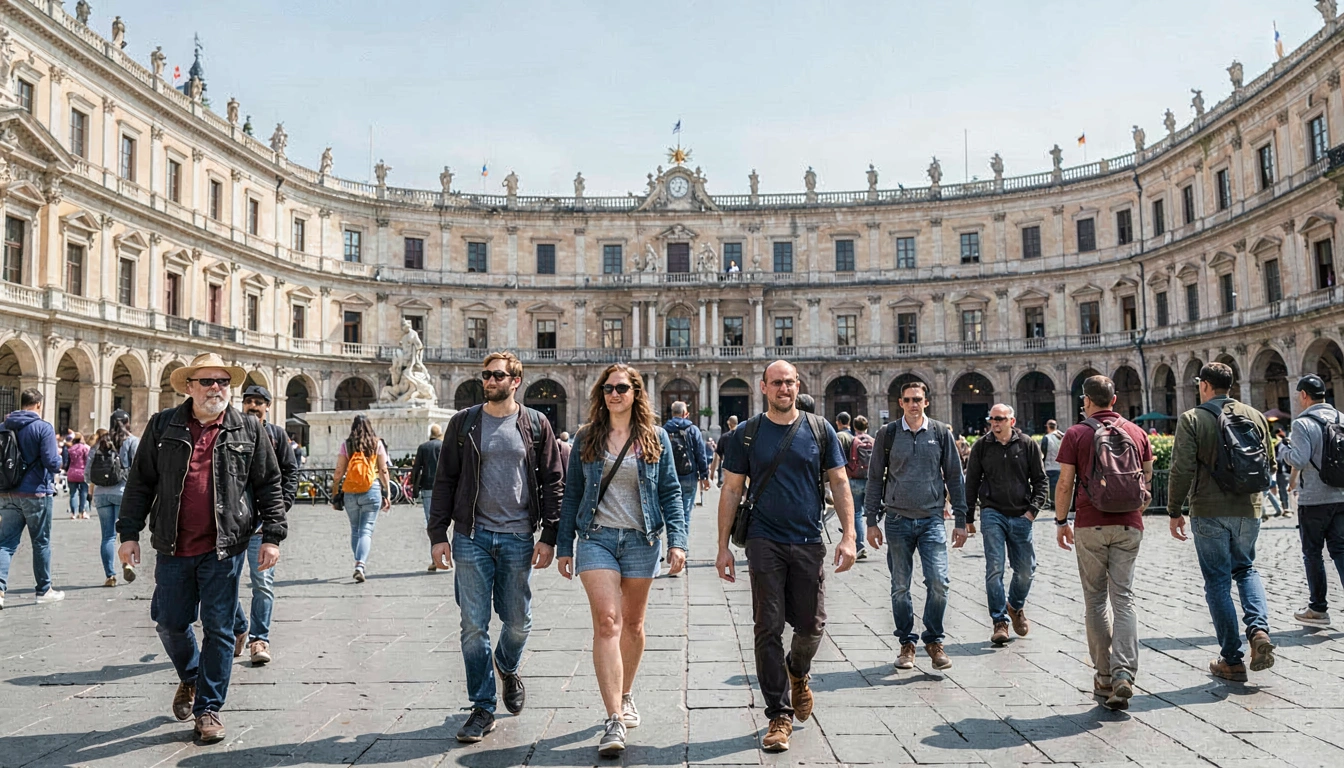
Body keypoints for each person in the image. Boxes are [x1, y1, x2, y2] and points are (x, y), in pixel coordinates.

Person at [117, 352, 287, 743]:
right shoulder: (163, 425)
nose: (216, 388)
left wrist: (273, 536)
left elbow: (269, 485)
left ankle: (208, 709)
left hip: (224, 548)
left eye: (223, 382)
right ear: (189, 386)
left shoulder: (248, 429)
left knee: (220, 629)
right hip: (173, 545)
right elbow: (141, 483)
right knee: (170, 622)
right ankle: (192, 675)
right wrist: (128, 534)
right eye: (208, 381)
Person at [716, 360, 856, 754]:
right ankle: (778, 713)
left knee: (812, 626)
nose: (784, 389)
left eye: (790, 382)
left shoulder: (819, 429)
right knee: (768, 626)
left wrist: (849, 535)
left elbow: (840, 481)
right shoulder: (748, 434)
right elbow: (730, 490)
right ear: (763, 387)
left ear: (799, 386)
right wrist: (723, 546)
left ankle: (798, 669)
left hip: (809, 538)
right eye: (777, 383)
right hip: (764, 540)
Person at [428, 351, 564, 744]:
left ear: (515, 380)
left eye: (498, 375)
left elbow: (553, 481)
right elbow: (445, 482)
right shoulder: (464, 423)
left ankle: (506, 664)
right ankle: (483, 707)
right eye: (486, 375)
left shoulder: (536, 423)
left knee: (518, 621)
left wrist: (550, 535)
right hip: (472, 535)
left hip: (519, 535)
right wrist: (439, 534)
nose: (489, 381)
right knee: (473, 626)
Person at [558, 363, 687, 756]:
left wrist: (677, 541)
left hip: (641, 540)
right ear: (601, 395)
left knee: (633, 624)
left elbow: (670, 492)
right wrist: (565, 546)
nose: (614, 394)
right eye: (608, 389)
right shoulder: (586, 438)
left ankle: (626, 692)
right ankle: (613, 718)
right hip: (596, 539)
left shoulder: (655, 438)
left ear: (635, 393)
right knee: (608, 622)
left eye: (622, 388)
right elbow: (573, 496)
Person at [1168, 362, 1276, 683]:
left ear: (1203, 385)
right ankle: (1258, 630)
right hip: (1248, 507)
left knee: (1217, 581)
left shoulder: (1192, 418)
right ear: (1231, 385)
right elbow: (1267, 462)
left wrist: (1174, 510)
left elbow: (1181, 469)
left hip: (1209, 510)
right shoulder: (1255, 415)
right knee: (1246, 569)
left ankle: (1231, 658)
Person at [1055, 375, 1152, 710]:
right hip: (1129, 524)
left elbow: (1065, 482)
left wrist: (1060, 520)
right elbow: (1147, 477)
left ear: (1086, 401)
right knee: (1123, 598)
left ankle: (1105, 676)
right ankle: (1125, 672)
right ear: (1115, 399)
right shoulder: (1137, 432)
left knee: (1096, 601)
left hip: (1090, 523)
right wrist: (1135, 508)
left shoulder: (1077, 433)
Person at [865, 380, 966, 672]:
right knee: (900, 586)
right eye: (908, 399)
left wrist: (961, 519)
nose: (913, 404)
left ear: (926, 402)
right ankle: (907, 643)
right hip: (896, 519)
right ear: (900, 403)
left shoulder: (939, 432)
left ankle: (933, 640)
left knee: (939, 582)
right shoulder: (888, 433)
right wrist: (871, 521)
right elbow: (875, 479)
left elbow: (954, 477)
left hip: (932, 518)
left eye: (917, 399)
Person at [964, 404, 1047, 647]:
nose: (995, 423)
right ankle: (999, 621)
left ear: (1012, 420)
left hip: (1022, 513)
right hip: (992, 513)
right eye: (992, 419)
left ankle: (1015, 606)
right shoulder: (982, 446)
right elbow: (971, 483)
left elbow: (1041, 480)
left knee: (1026, 570)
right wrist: (968, 517)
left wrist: (1032, 512)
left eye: (1000, 419)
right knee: (995, 568)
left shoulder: (1027, 444)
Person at [232, 385, 298, 666]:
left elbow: (290, 472)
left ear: (268, 407)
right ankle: (238, 627)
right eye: (248, 401)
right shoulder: (231, 431)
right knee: (223, 584)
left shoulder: (277, 435)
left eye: (259, 402)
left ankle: (260, 639)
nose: (253, 406)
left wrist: (280, 509)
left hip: (261, 524)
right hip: (231, 524)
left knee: (262, 584)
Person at [1282, 374, 1344, 626]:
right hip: (1341, 495)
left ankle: (1318, 608)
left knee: (1313, 553)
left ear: (1304, 395)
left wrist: (1283, 450)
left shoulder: (1302, 424)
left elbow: (1298, 459)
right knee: (1341, 551)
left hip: (1314, 500)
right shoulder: (1342, 418)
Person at [0, 388, 65, 608]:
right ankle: (43, 590)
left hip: (7, 492)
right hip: (36, 492)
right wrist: (58, 462)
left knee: (6, 544)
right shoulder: (43, 427)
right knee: (41, 543)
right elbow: (51, 462)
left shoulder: (3, 426)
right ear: (39, 404)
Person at [332, 415, 392, 582]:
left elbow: (338, 472)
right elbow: (383, 470)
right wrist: (387, 492)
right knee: (366, 529)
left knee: (355, 529)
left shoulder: (347, 445)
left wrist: (335, 492)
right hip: (371, 489)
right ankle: (360, 564)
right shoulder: (376, 443)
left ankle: (358, 562)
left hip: (350, 491)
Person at [90, 410, 140, 587]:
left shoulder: (99, 443)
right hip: (123, 493)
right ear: (127, 422)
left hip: (102, 495)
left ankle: (110, 576)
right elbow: (138, 469)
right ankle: (127, 564)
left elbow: (87, 473)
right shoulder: (132, 441)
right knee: (125, 534)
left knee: (108, 536)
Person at [662, 401, 709, 551]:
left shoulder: (663, 430)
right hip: (689, 476)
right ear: (685, 413)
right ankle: (682, 548)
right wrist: (705, 476)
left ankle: (672, 545)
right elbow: (700, 454)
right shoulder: (693, 430)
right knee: (685, 513)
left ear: (672, 413)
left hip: (668, 477)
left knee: (670, 514)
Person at [409, 423, 444, 572]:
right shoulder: (445, 446)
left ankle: (435, 559)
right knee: (448, 522)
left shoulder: (423, 448)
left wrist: (414, 487)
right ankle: (449, 555)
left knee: (432, 523)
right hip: (446, 488)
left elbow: (416, 469)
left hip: (429, 488)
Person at [845, 416, 874, 560]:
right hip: (869, 480)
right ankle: (875, 536)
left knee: (856, 513)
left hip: (855, 480)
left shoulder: (852, 441)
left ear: (854, 427)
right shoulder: (873, 440)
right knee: (870, 511)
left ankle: (860, 545)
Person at [66, 433, 90, 520]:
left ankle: (73, 513)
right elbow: (87, 460)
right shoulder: (84, 448)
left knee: (73, 494)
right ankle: (82, 512)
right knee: (83, 493)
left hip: (72, 472)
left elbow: (67, 462)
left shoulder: (70, 449)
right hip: (82, 472)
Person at [712, 415, 738, 487]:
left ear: (728, 423)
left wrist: (712, 474)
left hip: (727, 469)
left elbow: (717, 457)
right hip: (741, 470)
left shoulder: (724, 437)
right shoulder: (743, 437)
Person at [1042, 419, 1063, 507]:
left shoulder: (1047, 437)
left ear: (1048, 427)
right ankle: (1056, 502)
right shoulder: (1063, 436)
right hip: (1060, 466)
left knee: (1046, 486)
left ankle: (1048, 502)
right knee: (1058, 486)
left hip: (1049, 465)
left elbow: (1043, 451)